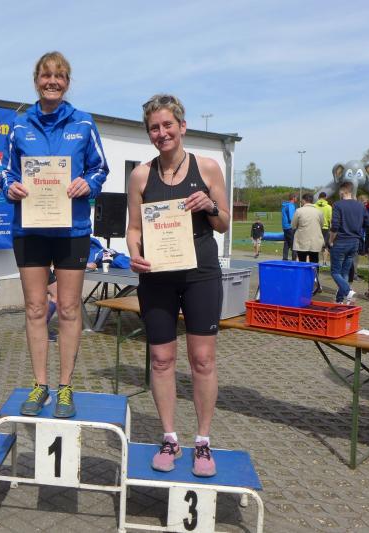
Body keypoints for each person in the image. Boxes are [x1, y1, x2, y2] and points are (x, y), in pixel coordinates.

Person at [0, 51, 108, 418]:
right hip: (29, 229)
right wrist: (11, 187)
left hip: (71, 230)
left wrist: (88, 184)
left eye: (59, 76)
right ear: (36, 81)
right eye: (46, 75)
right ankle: (39, 385)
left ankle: (65, 387)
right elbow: (6, 173)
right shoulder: (19, 125)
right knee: (34, 308)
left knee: (69, 307)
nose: (52, 81)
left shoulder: (84, 123)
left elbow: (100, 168)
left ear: (67, 82)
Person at [127, 94, 229, 478]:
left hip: (201, 274)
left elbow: (224, 224)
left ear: (182, 127)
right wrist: (133, 253)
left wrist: (210, 206)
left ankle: (203, 441)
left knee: (202, 360)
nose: (162, 133)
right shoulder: (141, 176)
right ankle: (170, 437)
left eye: (168, 125)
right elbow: (133, 228)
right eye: (154, 127)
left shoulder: (208, 168)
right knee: (160, 359)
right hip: (157, 276)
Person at [329, 182, 369, 304]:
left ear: (342, 192)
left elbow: (335, 226)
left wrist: (330, 240)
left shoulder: (338, 205)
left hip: (341, 241)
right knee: (345, 272)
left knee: (335, 272)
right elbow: (368, 224)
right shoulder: (361, 206)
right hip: (355, 242)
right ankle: (340, 300)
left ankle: (348, 291)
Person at [292, 193, 325, 293]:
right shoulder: (319, 212)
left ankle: (303, 283)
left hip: (302, 240)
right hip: (315, 240)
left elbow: (293, 225)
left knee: (302, 262)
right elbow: (322, 224)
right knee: (314, 262)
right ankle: (316, 283)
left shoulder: (299, 211)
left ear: (304, 200)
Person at [314, 192, 332, 266]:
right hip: (325, 228)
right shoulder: (329, 207)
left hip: (316, 227)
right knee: (325, 246)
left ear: (318, 197)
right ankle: (324, 262)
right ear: (325, 197)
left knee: (315, 245)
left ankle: (315, 262)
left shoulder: (314, 206)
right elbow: (330, 219)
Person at [281, 193, 297, 261]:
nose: (297, 199)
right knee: (294, 244)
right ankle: (294, 260)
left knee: (286, 243)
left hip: (285, 227)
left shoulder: (285, 205)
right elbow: (291, 218)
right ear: (293, 198)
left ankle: (285, 258)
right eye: (296, 198)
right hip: (290, 227)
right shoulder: (290, 205)